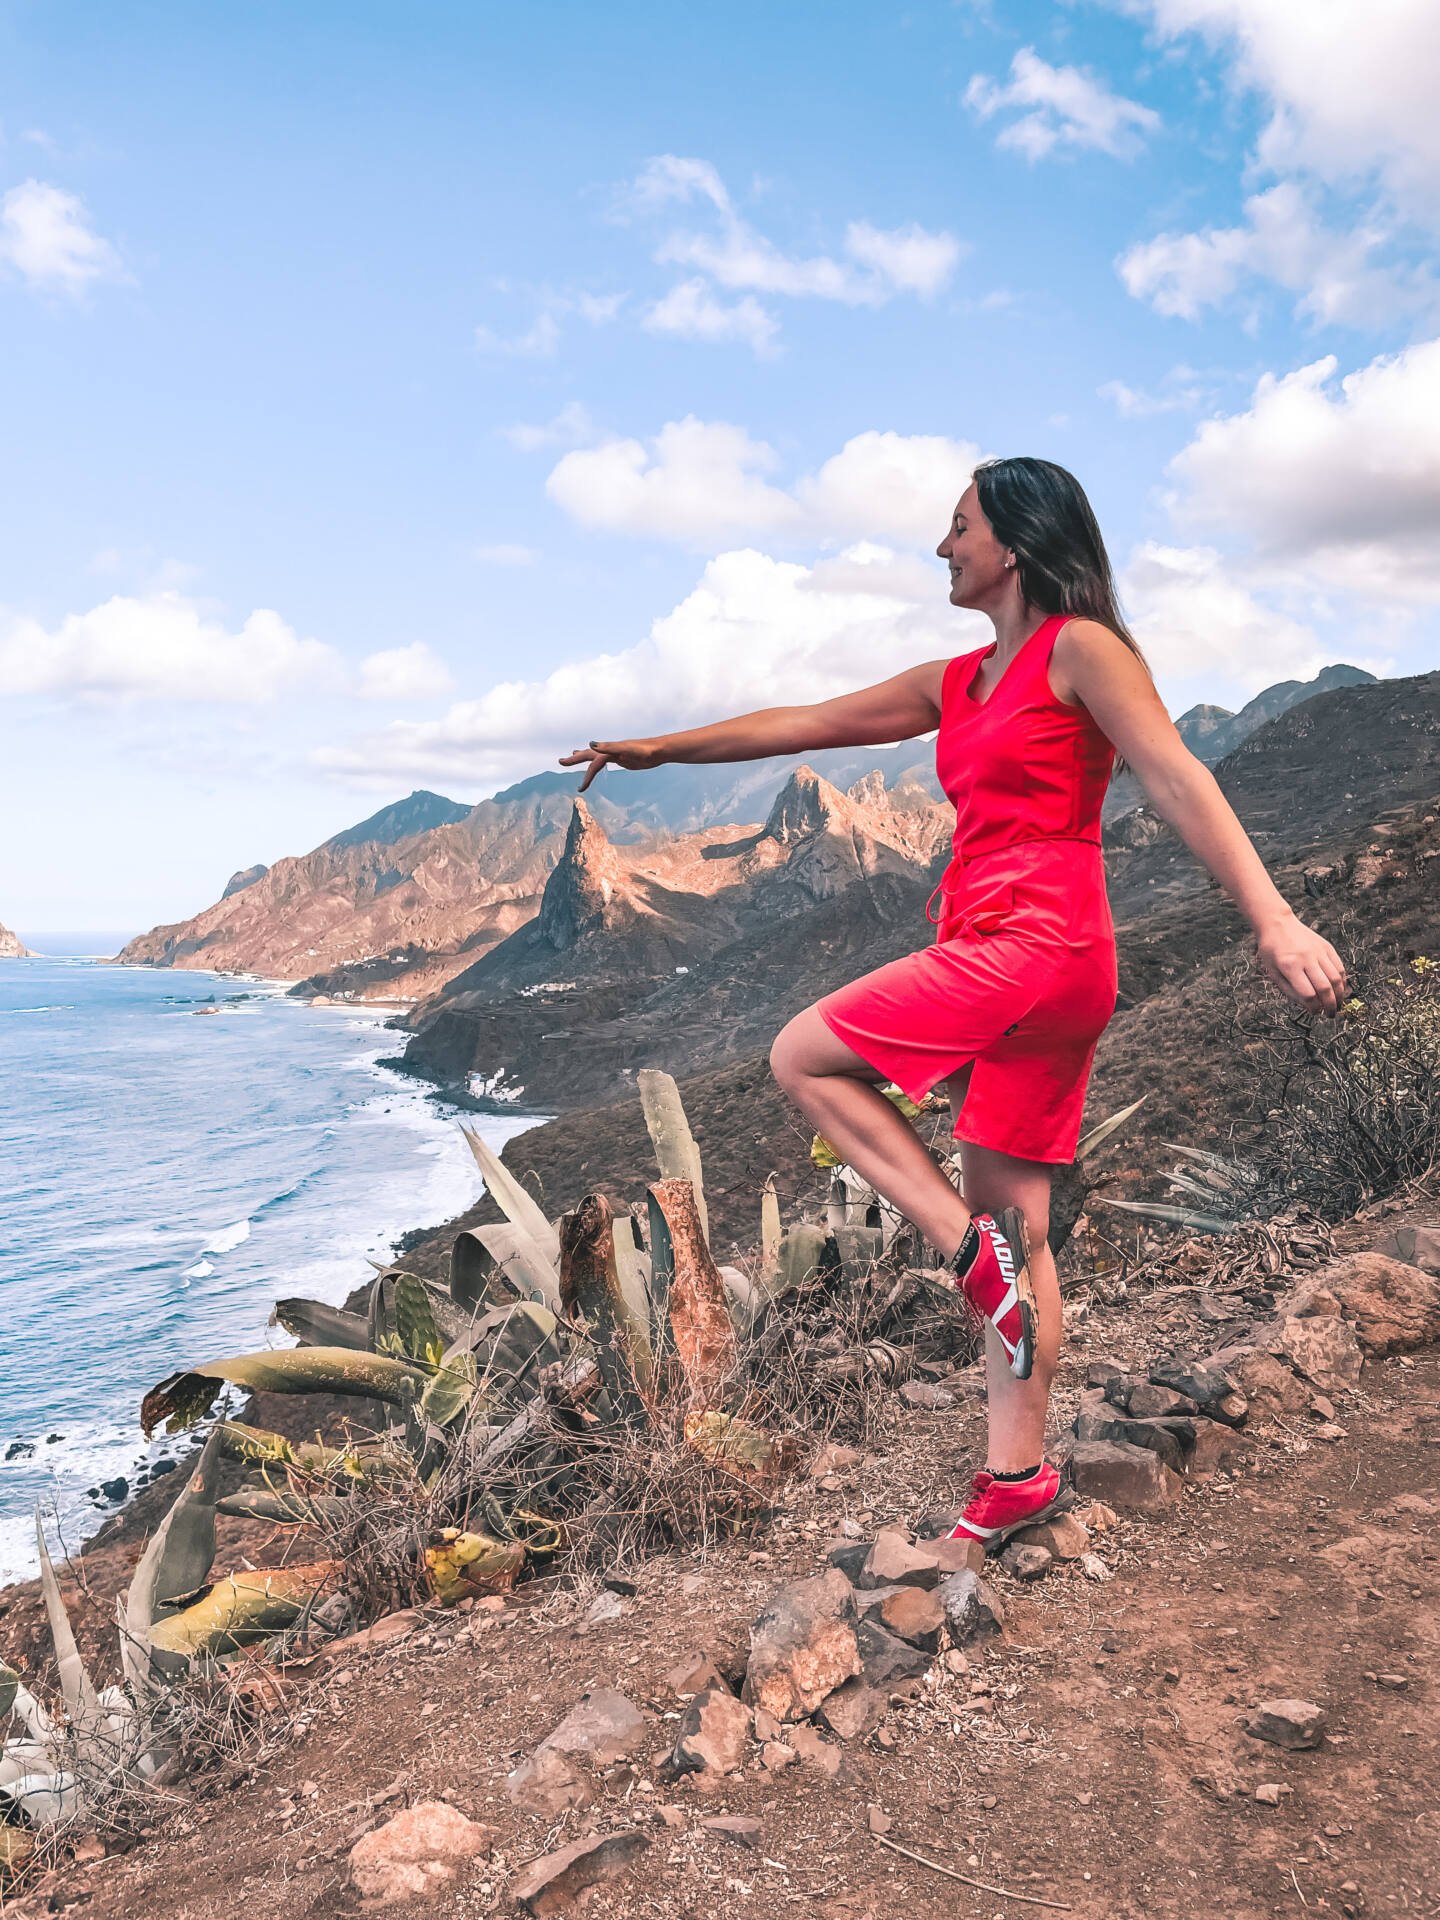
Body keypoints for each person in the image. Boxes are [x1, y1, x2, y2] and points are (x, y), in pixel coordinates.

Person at [560, 455, 1347, 1550]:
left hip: (1040, 941)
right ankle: (1017, 1473)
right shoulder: (955, 681)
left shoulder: (1083, 650)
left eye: (958, 525)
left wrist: (1274, 919)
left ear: (1014, 542)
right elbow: (805, 725)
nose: (942, 546)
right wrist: (660, 749)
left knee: (801, 1056)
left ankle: (957, 1249)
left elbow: (1177, 775)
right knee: (1019, 1222)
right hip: (1013, 951)